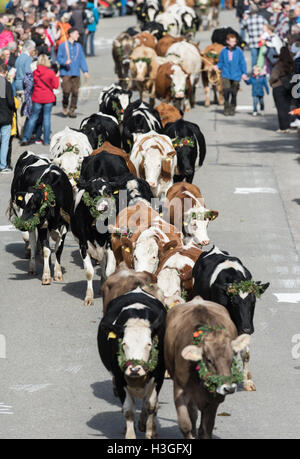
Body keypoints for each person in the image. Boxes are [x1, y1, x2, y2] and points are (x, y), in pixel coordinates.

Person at [21, 54, 59, 146]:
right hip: (48, 98)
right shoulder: (51, 73)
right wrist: (57, 76)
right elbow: (56, 86)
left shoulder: (35, 72)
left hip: (37, 97)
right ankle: (46, 140)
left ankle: (25, 138)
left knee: (33, 118)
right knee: (46, 118)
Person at [57, 27, 89, 118]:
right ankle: (65, 106)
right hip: (65, 73)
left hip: (76, 73)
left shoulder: (78, 46)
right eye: (76, 34)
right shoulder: (63, 45)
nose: (78, 35)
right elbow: (58, 58)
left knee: (75, 92)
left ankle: (72, 109)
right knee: (66, 91)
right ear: (71, 34)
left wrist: (85, 71)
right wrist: (64, 62)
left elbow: (82, 59)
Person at [216, 33, 248, 116]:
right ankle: (226, 107)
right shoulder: (223, 51)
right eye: (231, 41)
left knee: (234, 92)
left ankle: (232, 107)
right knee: (226, 91)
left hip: (236, 75)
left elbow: (242, 62)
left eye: (234, 41)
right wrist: (217, 66)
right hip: (226, 74)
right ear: (227, 41)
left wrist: (244, 73)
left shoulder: (239, 51)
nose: (233, 43)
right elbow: (221, 62)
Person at [270, 46, 294, 132]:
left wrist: (271, 83)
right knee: (287, 107)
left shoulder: (279, 64)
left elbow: (274, 76)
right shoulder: (292, 63)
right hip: (289, 87)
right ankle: (288, 126)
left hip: (278, 87)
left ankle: (283, 127)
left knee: (280, 108)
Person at [0, 63, 15, 174]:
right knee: (5, 142)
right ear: (5, 72)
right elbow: (10, 102)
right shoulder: (5, 84)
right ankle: (3, 165)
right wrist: (14, 109)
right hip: (4, 116)